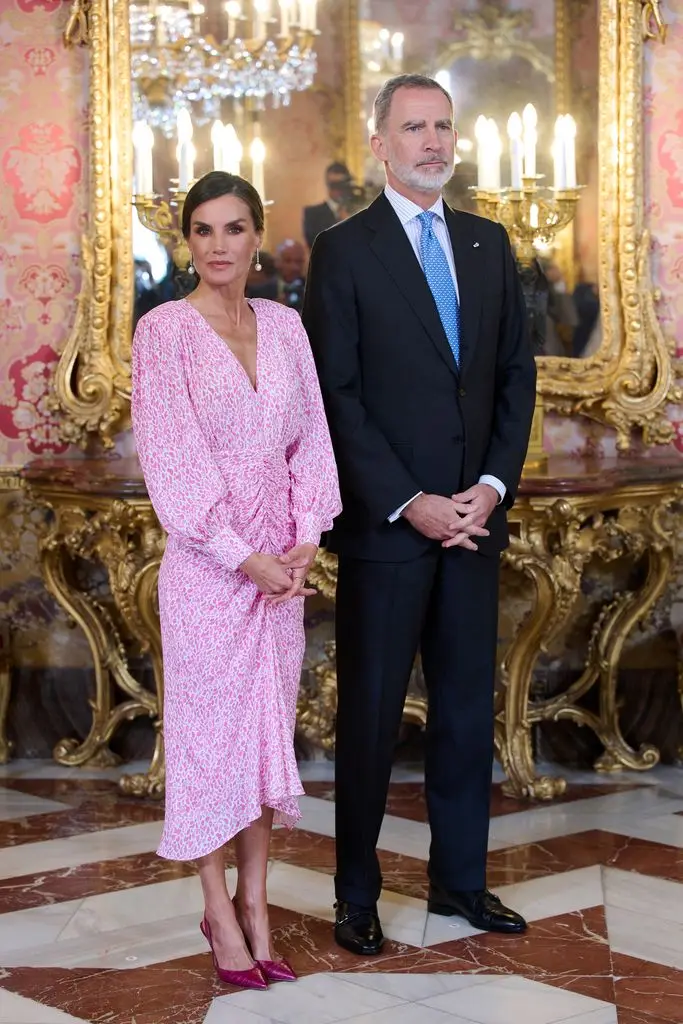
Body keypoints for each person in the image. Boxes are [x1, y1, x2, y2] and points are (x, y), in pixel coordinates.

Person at [302, 74, 536, 956]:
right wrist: (411, 502)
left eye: (443, 126)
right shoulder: (344, 250)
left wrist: (489, 487)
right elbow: (338, 395)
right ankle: (355, 895)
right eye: (414, 128)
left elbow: (516, 375)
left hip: (474, 525)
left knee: (466, 714)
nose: (433, 142)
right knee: (367, 718)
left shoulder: (486, 242)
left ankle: (460, 884)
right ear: (381, 144)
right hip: (387, 531)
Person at [131, 171, 341, 989]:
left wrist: (306, 541)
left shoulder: (286, 327)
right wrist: (240, 554)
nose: (218, 246)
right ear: (187, 242)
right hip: (208, 576)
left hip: (280, 576)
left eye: (234, 229)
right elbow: (172, 462)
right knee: (209, 747)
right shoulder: (165, 333)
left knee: (261, 745)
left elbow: (312, 442)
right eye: (203, 231)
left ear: (258, 237)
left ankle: (258, 907)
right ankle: (216, 908)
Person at [302, 162, 355, 248]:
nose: (338, 189)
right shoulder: (312, 214)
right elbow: (315, 246)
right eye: (334, 185)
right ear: (327, 184)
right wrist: (342, 224)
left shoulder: (358, 210)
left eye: (341, 185)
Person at [275, 239, 307, 312]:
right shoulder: (263, 289)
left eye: (299, 261)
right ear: (277, 261)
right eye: (288, 261)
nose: (294, 267)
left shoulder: (311, 289)